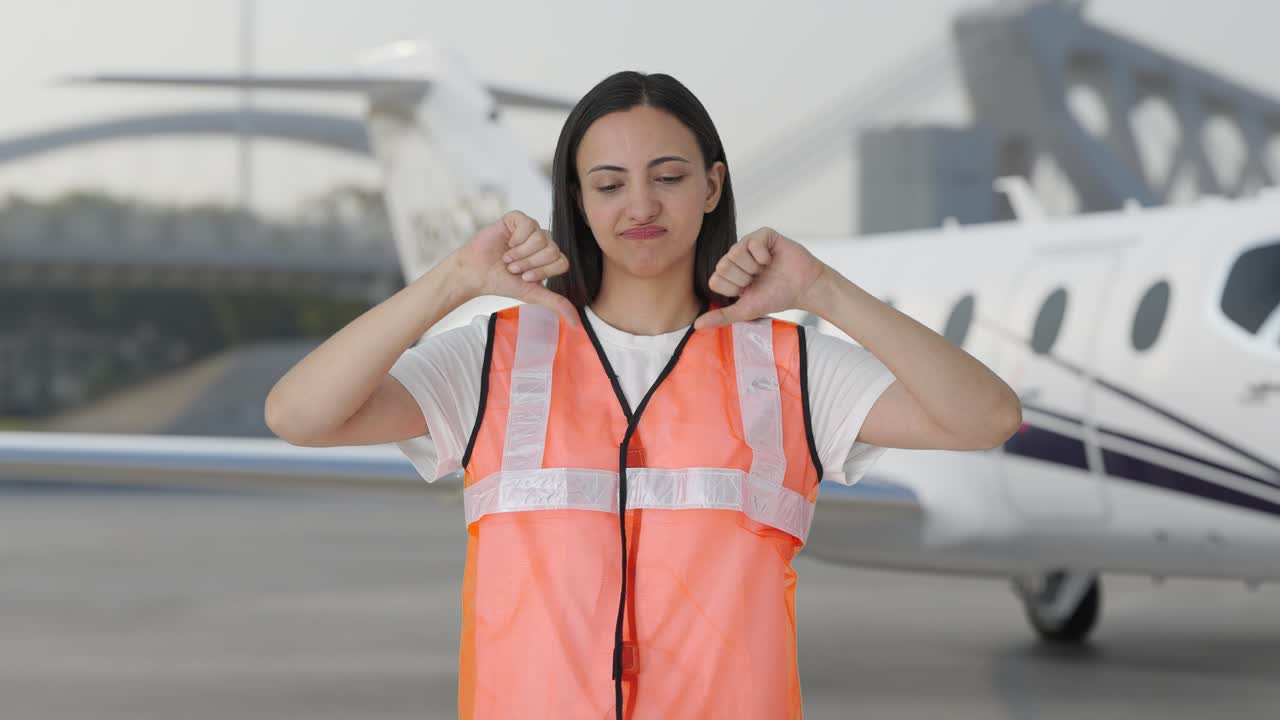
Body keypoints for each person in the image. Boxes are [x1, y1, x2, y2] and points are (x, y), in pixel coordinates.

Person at [265, 70, 1021, 720]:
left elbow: (987, 418)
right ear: (579, 199)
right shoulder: (496, 357)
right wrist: (450, 281)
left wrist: (823, 290)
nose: (641, 206)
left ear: (712, 186)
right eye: (610, 183)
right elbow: (297, 415)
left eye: (668, 176)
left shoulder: (788, 366)